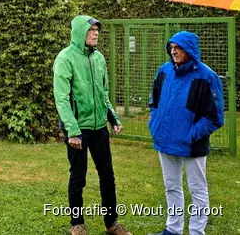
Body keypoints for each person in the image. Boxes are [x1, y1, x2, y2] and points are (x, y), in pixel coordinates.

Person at [53, 16, 132, 235]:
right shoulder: (65, 58)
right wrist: (73, 131)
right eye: (91, 30)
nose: (95, 33)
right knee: (78, 177)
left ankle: (111, 223)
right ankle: (77, 224)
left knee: (107, 175)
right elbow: (62, 99)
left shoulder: (99, 59)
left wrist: (113, 118)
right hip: (77, 129)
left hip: (99, 128)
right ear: (80, 33)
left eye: (97, 30)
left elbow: (103, 93)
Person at [148, 32, 224, 235]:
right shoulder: (164, 71)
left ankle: (197, 232)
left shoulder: (207, 76)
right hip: (165, 141)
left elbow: (215, 116)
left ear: (189, 50)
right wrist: (155, 124)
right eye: (171, 47)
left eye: (178, 48)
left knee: (197, 190)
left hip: (192, 144)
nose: (173, 51)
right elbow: (153, 102)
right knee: (171, 187)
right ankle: (173, 230)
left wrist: (191, 134)